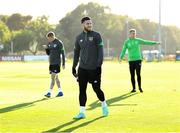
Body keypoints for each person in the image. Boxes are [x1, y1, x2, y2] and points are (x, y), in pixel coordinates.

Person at [72, 17, 109, 119]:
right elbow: (76, 53)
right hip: (82, 68)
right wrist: (74, 66)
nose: (89, 25)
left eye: (90, 23)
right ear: (83, 24)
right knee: (82, 90)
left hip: (94, 68)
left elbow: (101, 52)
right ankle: (82, 112)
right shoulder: (78, 37)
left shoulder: (97, 36)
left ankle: (104, 104)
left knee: (96, 89)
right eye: (87, 23)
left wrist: (98, 66)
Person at [119, 29, 160, 93]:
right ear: (130, 34)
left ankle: (140, 88)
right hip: (131, 60)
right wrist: (121, 57)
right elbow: (123, 50)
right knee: (132, 75)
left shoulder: (138, 40)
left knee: (138, 74)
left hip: (138, 60)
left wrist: (155, 43)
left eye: (135, 33)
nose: (134, 34)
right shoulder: (127, 42)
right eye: (132, 33)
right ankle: (134, 88)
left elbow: (146, 42)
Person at [43, 31, 65, 98]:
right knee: (56, 78)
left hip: (57, 63)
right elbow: (48, 53)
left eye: (49, 38)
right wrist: (46, 49)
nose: (48, 40)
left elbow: (63, 53)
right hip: (51, 63)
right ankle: (60, 91)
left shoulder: (59, 43)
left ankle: (49, 92)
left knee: (53, 77)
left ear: (52, 37)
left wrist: (63, 63)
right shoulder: (49, 43)